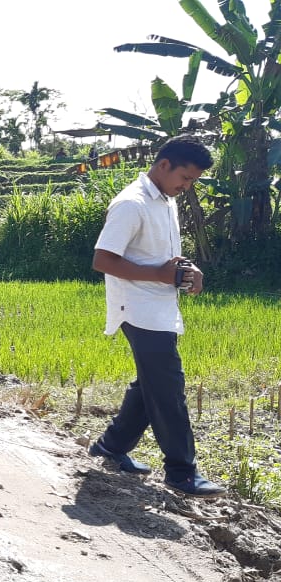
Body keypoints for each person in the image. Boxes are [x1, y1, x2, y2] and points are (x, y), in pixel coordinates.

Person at [88, 134, 225, 498]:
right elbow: (103, 260)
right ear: (164, 165)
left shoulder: (164, 199)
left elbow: (162, 256)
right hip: (137, 307)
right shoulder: (131, 204)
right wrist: (162, 276)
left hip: (160, 304)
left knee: (150, 381)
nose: (187, 186)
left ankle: (111, 446)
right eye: (186, 178)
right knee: (167, 386)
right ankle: (181, 472)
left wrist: (188, 272)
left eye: (193, 181)